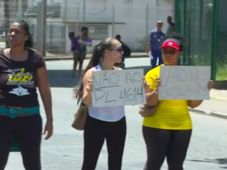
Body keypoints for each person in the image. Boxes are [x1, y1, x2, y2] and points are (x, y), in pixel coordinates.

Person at [142, 37, 213, 170]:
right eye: (165, 51)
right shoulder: (153, 74)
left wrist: (204, 90)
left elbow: (192, 104)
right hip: (157, 126)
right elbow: (150, 103)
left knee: (176, 165)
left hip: (182, 126)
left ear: (179, 53)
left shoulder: (187, 74)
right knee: (154, 164)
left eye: (172, 52)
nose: (168, 55)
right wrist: (157, 90)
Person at [0, 20, 53, 170]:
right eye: (10, 31)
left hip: (30, 120)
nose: (12, 34)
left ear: (26, 36)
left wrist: (50, 119)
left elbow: (44, 90)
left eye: (17, 32)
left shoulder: (35, 58)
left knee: (32, 164)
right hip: (2, 119)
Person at [75, 37, 126, 170]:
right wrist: (92, 91)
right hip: (96, 121)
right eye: (119, 49)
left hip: (118, 122)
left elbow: (126, 97)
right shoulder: (92, 73)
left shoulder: (120, 73)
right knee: (89, 162)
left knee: (116, 164)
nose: (122, 52)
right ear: (106, 52)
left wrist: (140, 89)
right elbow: (86, 101)